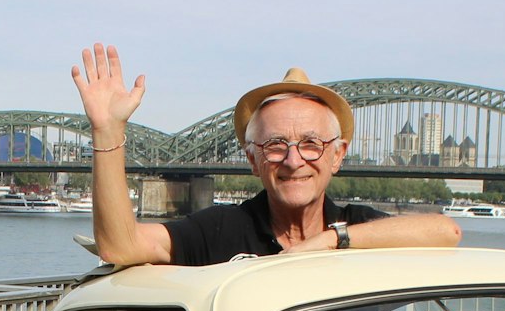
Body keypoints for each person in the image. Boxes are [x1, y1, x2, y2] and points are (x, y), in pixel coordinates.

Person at [71, 43, 461, 266]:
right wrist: (108, 131)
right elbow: (120, 246)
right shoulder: (222, 230)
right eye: (275, 146)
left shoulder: (355, 227)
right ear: (253, 159)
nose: (294, 161)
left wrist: (328, 241)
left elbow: (447, 232)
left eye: (311, 144)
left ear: (338, 155)